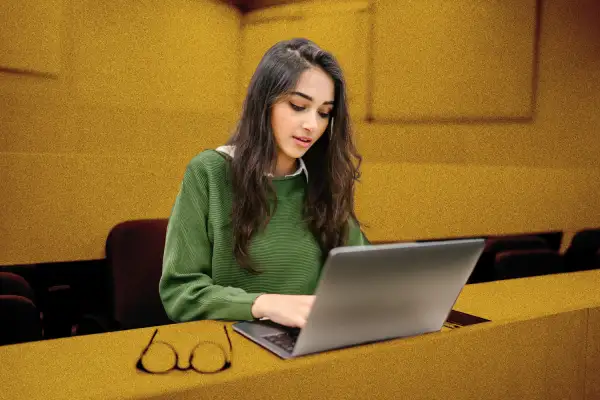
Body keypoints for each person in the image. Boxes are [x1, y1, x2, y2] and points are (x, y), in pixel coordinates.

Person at [159, 38, 369, 329]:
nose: (312, 125)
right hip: (233, 343)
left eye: (324, 113)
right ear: (264, 103)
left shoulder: (321, 179)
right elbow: (180, 293)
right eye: (298, 106)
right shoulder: (210, 172)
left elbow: (364, 271)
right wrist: (262, 303)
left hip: (312, 344)